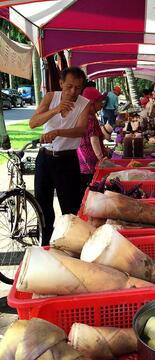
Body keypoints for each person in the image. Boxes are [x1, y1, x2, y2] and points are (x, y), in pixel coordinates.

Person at [29, 67, 90, 245]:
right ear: (61, 83)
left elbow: (80, 131)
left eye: (77, 88)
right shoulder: (51, 97)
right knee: (43, 205)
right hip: (45, 159)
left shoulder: (84, 104)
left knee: (70, 208)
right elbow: (33, 123)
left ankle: (69, 246)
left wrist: (57, 131)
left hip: (67, 160)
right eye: (69, 86)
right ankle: (46, 244)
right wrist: (55, 109)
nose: (73, 92)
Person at [77, 87, 109, 197]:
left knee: (85, 192)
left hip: (82, 163)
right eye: (100, 101)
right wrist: (101, 159)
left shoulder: (82, 116)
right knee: (92, 192)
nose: (102, 104)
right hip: (91, 163)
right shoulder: (91, 119)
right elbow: (94, 140)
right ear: (91, 103)